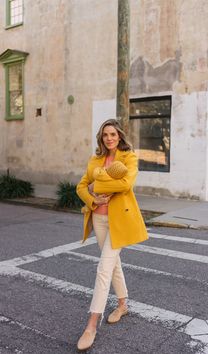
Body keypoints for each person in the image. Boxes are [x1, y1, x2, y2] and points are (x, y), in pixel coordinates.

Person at [76, 118, 148, 351]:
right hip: (98, 217)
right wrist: (92, 197)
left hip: (120, 220)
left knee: (103, 268)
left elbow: (125, 185)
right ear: (101, 137)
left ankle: (91, 325)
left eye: (113, 135)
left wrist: (97, 184)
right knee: (114, 264)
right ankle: (122, 304)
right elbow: (80, 187)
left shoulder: (129, 157)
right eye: (105, 135)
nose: (109, 138)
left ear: (120, 136)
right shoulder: (94, 159)